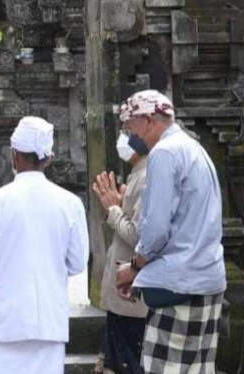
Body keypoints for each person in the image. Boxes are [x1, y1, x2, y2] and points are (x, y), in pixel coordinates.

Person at [0, 116, 89, 374]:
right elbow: (77, 262)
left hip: (4, 321)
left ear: (14, 155)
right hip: (48, 321)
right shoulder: (70, 203)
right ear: (48, 158)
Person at [116, 90, 226, 373]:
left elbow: (154, 232)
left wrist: (134, 266)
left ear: (150, 120)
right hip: (208, 278)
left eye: (131, 126)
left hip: (178, 284)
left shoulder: (164, 153)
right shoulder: (194, 149)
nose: (131, 135)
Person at [91, 103, 150, 374]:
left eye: (128, 130)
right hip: (124, 291)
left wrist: (113, 209)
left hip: (132, 293)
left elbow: (139, 236)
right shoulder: (138, 173)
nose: (123, 137)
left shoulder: (148, 174)